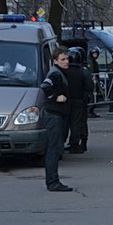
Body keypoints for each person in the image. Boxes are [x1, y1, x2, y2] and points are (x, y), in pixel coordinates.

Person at [41, 47, 73, 192]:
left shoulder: (59, 72)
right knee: (53, 149)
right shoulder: (55, 74)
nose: (66, 62)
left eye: (67, 59)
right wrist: (55, 97)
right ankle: (53, 182)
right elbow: (45, 86)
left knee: (55, 148)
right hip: (54, 115)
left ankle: (53, 181)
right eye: (63, 59)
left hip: (57, 114)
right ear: (55, 61)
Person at [64, 47, 89, 154]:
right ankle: (76, 144)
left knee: (66, 123)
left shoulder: (64, 71)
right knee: (78, 123)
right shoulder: (83, 71)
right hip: (79, 101)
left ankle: (70, 143)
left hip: (66, 101)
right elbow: (89, 86)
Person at [87, 48, 102, 118]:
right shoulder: (90, 61)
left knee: (95, 96)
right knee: (93, 96)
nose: (95, 55)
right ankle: (89, 111)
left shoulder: (93, 61)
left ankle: (91, 111)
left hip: (95, 80)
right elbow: (92, 72)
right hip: (93, 81)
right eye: (94, 54)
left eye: (96, 54)